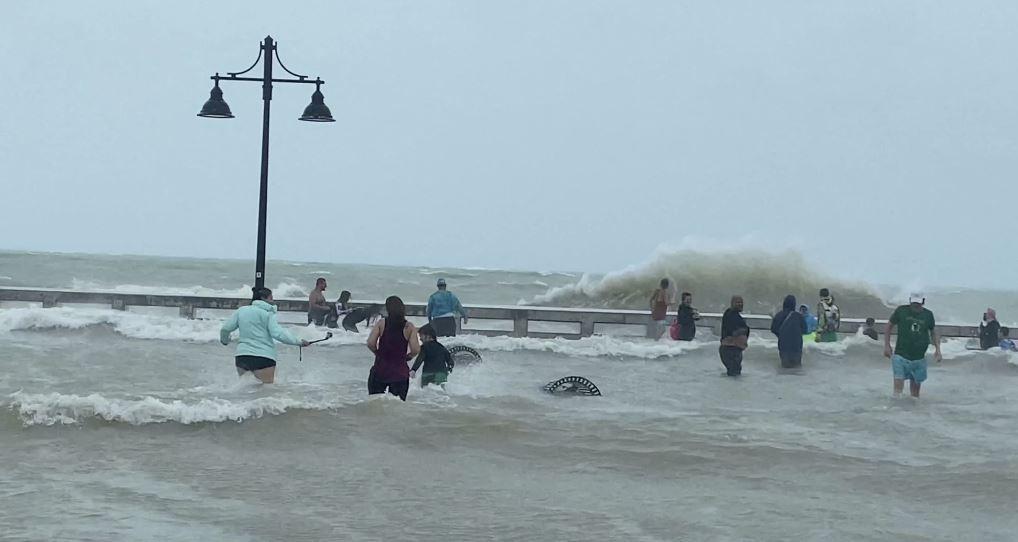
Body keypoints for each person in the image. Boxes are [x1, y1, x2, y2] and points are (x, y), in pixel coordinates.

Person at [220, 287, 310, 384]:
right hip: (264, 357)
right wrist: (298, 342)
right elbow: (277, 333)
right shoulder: (268, 313)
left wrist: (225, 341)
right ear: (263, 298)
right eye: (271, 298)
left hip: (242, 356)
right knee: (266, 391)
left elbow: (225, 329)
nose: (273, 301)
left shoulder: (241, 311)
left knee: (245, 389)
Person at [884, 293, 941, 398]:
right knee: (897, 392)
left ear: (923, 302)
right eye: (914, 303)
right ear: (910, 300)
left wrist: (938, 349)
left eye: (918, 303)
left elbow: (933, 331)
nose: (915, 305)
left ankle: (913, 413)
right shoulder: (901, 311)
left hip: (919, 358)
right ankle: (896, 411)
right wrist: (887, 345)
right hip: (900, 356)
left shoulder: (928, 315)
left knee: (915, 396)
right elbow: (889, 326)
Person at [366, 296, 420, 401]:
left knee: (374, 404)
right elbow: (416, 349)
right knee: (397, 407)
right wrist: (408, 357)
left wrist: (377, 353)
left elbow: (370, 343)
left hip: (380, 370)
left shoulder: (382, 323)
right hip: (400, 373)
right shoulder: (408, 327)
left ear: (388, 309)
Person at [770, 295, 807, 369]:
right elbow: (805, 330)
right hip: (797, 345)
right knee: (796, 366)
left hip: (784, 344)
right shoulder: (799, 316)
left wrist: (781, 335)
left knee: (785, 366)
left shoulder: (779, 315)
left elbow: (773, 329)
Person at [719, 296, 749, 377]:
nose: (740, 304)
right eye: (737, 302)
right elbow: (733, 332)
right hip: (730, 349)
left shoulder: (733, 315)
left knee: (734, 374)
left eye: (741, 302)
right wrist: (744, 330)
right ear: (732, 303)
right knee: (734, 374)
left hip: (733, 349)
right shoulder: (730, 315)